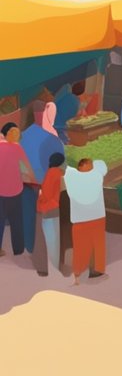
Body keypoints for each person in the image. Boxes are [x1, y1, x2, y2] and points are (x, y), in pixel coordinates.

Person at [19, 103, 62, 257]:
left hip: (24, 182)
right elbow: (60, 161)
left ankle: (29, 247)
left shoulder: (21, 136)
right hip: (44, 184)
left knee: (28, 214)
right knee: (46, 220)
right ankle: (44, 251)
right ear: (43, 113)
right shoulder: (50, 138)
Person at [66, 156, 107, 284]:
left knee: (80, 246)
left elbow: (65, 167)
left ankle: (78, 270)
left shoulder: (71, 177)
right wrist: (93, 164)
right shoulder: (97, 175)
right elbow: (101, 164)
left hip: (79, 219)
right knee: (98, 243)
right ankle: (97, 269)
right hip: (97, 216)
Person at [0, 122, 35, 257]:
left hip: (0, 191)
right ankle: (18, 249)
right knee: (17, 221)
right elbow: (28, 170)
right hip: (15, 190)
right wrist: (29, 177)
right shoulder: (17, 148)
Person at [34, 152, 64, 276]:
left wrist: (40, 196)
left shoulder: (51, 173)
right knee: (56, 238)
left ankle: (43, 268)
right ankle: (58, 265)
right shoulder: (60, 173)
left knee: (43, 239)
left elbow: (46, 194)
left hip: (46, 209)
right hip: (58, 208)